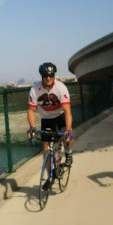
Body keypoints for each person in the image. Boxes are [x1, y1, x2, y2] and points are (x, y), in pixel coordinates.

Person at [27, 62, 74, 191]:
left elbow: (67, 111)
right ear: (41, 76)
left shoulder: (61, 88)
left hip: (60, 116)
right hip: (46, 119)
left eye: (51, 75)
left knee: (68, 134)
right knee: (46, 149)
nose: (48, 78)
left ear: (54, 75)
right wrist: (32, 127)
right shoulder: (35, 90)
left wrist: (69, 129)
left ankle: (68, 153)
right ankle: (50, 177)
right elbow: (31, 111)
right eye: (45, 75)